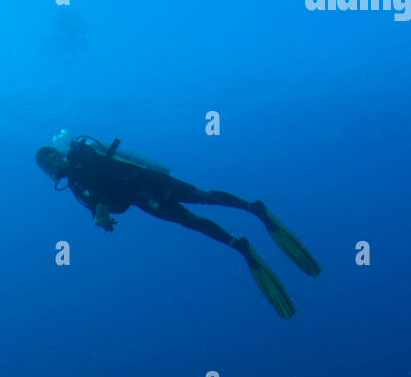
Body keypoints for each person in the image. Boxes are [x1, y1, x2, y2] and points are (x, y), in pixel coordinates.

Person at [35, 133, 321, 319]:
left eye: (50, 162)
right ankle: (239, 245)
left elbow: (104, 184)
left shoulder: (80, 158)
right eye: (47, 169)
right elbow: (109, 203)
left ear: (56, 155)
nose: (52, 169)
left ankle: (253, 209)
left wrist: (101, 208)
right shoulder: (75, 186)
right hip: (144, 200)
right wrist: (103, 218)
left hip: (151, 184)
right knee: (193, 222)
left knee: (202, 197)